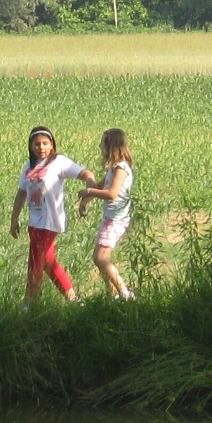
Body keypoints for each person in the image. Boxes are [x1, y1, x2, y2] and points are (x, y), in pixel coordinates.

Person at [12, 127, 95, 302]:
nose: (41, 147)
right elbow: (21, 193)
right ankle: (72, 298)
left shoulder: (59, 162)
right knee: (49, 263)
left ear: (52, 145)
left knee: (35, 262)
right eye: (37, 144)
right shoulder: (29, 165)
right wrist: (14, 219)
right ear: (31, 146)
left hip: (49, 221)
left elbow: (86, 174)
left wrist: (90, 189)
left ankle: (29, 303)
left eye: (45, 143)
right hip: (34, 221)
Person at [77, 128, 137, 300]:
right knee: (99, 258)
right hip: (111, 219)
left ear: (111, 146)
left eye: (103, 143)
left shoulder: (121, 168)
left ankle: (124, 293)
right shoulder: (113, 168)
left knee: (100, 258)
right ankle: (113, 294)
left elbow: (111, 193)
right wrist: (86, 199)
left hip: (116, 221)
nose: (100, 146)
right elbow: (100, 188)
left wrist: (88, 191)